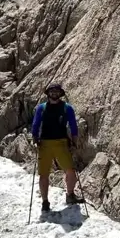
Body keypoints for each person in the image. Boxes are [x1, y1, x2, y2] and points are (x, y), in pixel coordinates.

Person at [31, 82, 82, 212]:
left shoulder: (67, 108)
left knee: (70, 171)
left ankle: (69, 195)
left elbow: (73, 126)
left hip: (61, 143)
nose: (54, 93)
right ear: (48, 93)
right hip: (45, 144)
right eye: (52, 91)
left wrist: (74, 141)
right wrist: (35, 138)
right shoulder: (41, 108)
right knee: (44, 175)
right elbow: (35, 126)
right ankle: (45, 202)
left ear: (60, 93)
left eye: (56, 91)